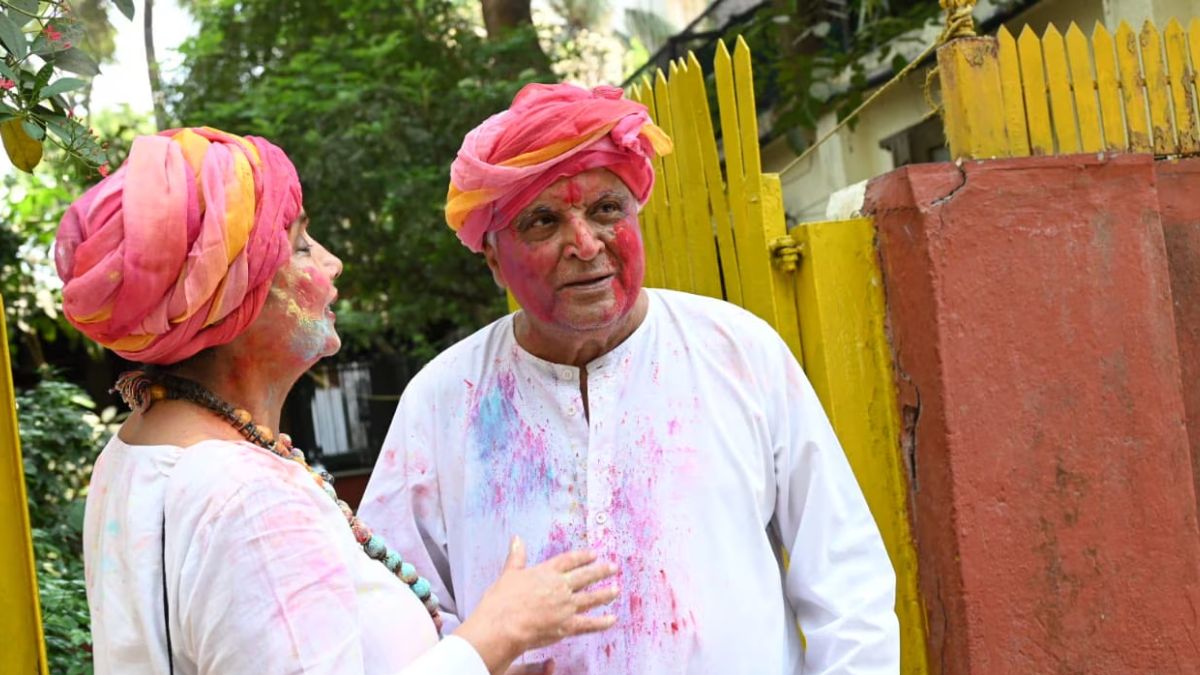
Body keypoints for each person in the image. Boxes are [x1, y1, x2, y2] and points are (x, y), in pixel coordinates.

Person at [358, 83, 901, 673]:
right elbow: (393, 609)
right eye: (543, 221)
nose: (585, 244)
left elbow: (847, 580)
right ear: (492, 256)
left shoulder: (737, 351)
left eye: (606, 210)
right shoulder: (443, 401)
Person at [57, 127, 619, 674]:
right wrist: (497, 635)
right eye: (301, 245)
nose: (331, 264)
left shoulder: (134, 452)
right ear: (232, 297)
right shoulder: (248, 500)